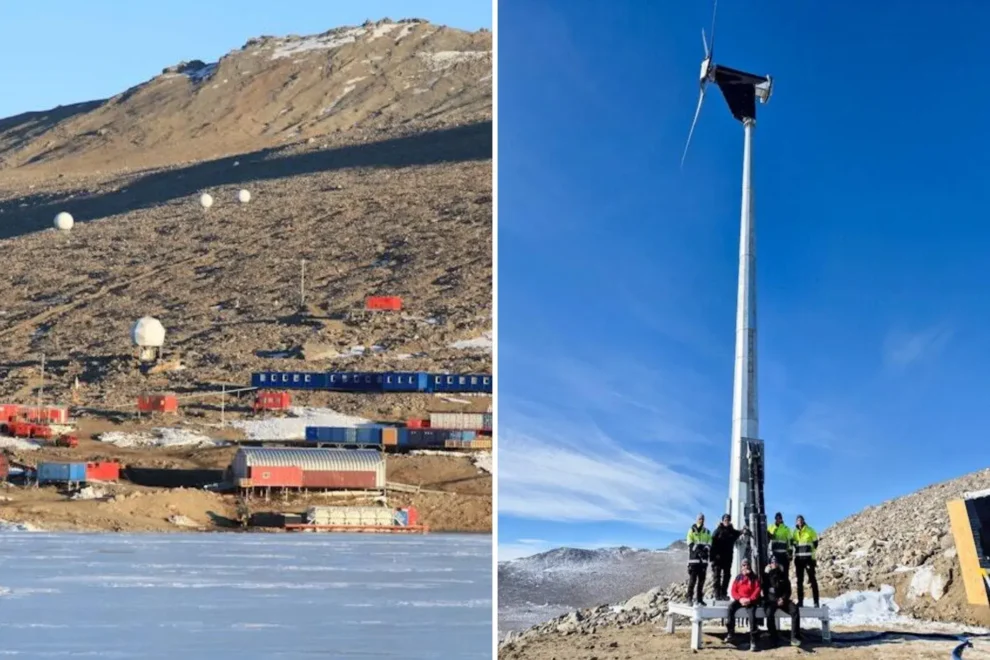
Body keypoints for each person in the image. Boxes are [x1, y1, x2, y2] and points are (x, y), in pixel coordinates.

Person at [763, 554, 801, 647]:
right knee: (769, 614)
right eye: (772, 562)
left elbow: (788, 590)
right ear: (770, 564)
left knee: (794, 610)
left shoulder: (783, 575)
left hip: (783, 600)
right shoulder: (766, 576)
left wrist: (783, 598)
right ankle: (773, 638)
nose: (774, 564)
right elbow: (765, 592)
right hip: (772, 601)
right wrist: (776, 600)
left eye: (775, 562)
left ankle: (794, 637)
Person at [710, 513, 748, 601]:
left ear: (730, 521)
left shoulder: (732, 531)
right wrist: (712, 558)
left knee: (727, 575)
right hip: (718, 557)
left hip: (728, 557)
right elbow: (712, 544)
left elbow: (739, 532)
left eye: (728, 520)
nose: (726, 521)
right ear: (722, 521)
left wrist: (744, 530)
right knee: (717, 576)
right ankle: (717, 594)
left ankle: (724, 593)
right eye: (725, 520)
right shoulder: (717, 531)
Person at [726, 558, 761, 651]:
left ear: (750, 566)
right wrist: (739, 599)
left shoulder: (754, 577)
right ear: (741, 567)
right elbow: (733, 590)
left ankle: (753, 641)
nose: (745, 567)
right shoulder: (738, 577)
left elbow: (757, 590)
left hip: (750, 601)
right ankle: (730, 633)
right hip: (740, 600)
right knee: (730, 609)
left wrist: (750, 599)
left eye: (747, 565)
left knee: (752, 617)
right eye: (743, 565)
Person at [793, 514, 820, 607]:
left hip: (808, 560)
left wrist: (812, 557)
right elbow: (794, 544)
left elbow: (815, 544)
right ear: (796, 522)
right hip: (799, 560)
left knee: (812, 580)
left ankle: (816, 602)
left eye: (801, 520)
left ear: (803, 521)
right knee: (799, 582)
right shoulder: (795, 532)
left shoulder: (810, 530)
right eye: (798, 520)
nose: (799, 522)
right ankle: (800, 602)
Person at [686, 512, 712, 606]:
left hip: (703, 562)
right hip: (694, 561)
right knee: (692, 581)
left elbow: (710, 543)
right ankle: (689, 598)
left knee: (701, 581)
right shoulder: (691, 530)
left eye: (702, 519)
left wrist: (705, 549)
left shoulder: (707, 532)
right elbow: (690, 543)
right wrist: (698, 551)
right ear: (697, 520)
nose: (701, 520)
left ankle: (699, 599)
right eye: (700, 519)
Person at [767, 512, 793, 578]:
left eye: (779, 518)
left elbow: (790, 541)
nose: (778, 519)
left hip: (783, 555)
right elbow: (766, 537)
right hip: (774, 555)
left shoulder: (786, 528)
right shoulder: (770, 527)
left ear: (782, 519)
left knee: (784, 574)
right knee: (774, 573)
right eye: (776, 518)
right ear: (775, 519)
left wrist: (790, 553)